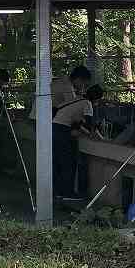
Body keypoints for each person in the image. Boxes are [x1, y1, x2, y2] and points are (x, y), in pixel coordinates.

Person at [51, 66, 93, 198]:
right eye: (84, 84)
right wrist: (87, 132)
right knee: (67, 161)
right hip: (58, 125)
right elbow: (86, 124)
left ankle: (56, 191)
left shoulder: (60, 82)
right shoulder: (70, 90)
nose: (83, 87)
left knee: (57, 161)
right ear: (79, 79)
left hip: (52, 122)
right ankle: (67, 193)